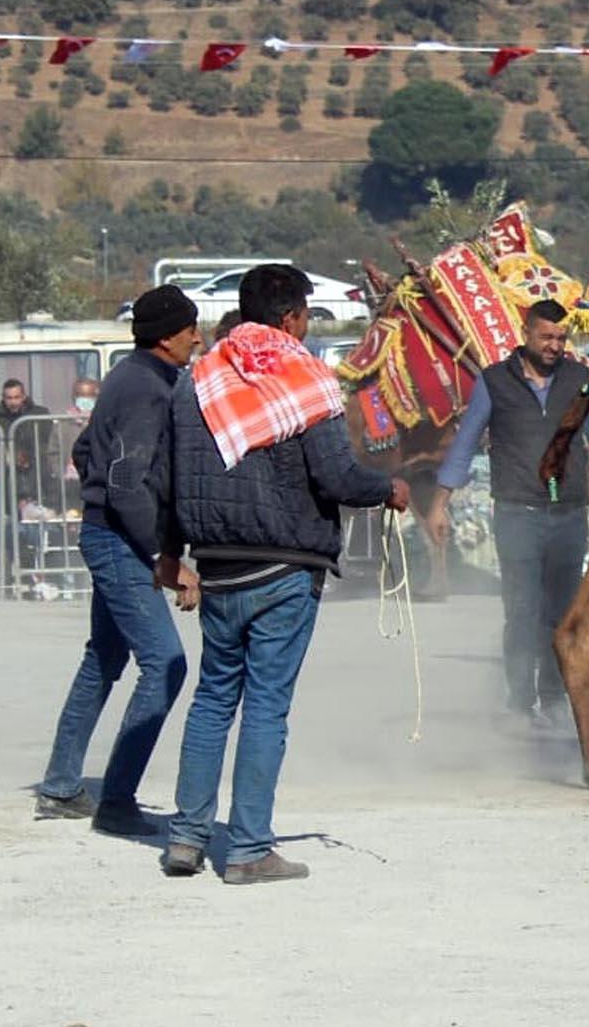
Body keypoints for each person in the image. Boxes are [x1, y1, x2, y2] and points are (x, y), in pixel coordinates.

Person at [157, 264, 408, 882]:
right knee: (266, 705)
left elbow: (167, 478)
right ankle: (246, 849)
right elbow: (336, 477)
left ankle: (186, 838)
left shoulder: (198, 381)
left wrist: (175, 554)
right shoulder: (305, 378)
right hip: (285, 566)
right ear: (293, 317)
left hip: (217, 565)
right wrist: (390, 489)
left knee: (215, 698)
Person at [35, 286, 203, 834]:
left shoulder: (131, 377)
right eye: (189, 329)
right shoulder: (146, 390)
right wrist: (160, 553)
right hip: (122, 543)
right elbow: (128, 478)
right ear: (165, 336)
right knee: (166, 664)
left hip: (109, 532)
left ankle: (62, 786)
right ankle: (116, 803)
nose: (197, 339)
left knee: (104, 661)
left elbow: (86, 453)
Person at [434, 298, 589, 726]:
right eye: (546, 336)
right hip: (517, 513)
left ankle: (555, 697)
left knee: (562, 615)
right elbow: (466, 443)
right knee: (522, 611)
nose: (554, 346)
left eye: (561, 338)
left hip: (569, 515)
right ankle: (520, 702)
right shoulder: (494, 381)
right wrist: (439, 504)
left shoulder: (581, 379)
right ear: (525, 334)